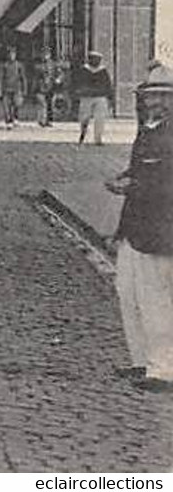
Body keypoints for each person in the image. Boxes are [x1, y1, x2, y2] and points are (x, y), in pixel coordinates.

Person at [104, 63, 173, 392]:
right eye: (151, 96)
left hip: (160, 232)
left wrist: (130, 186)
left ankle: (163, 369)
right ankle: (141, 360)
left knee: (156, 300)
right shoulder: (148, 128)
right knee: (128, 294)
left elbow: (166, 185)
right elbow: (140, 169)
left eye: (163, 96)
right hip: (134, 228)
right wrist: (125, 177)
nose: (155, 102)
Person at [75, 51, 114, 146]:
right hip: (86, 96)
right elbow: (78, 82)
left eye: (98, 59)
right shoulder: (84, 70)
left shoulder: (103, 71)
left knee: (100, 118)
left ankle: (98, 138)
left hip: (100, 96)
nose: (96, 61)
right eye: (93, 59)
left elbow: (108, 84)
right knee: (84, 117)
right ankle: (83, 134)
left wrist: (109, 96)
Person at [0, 49, 26, 127]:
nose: (12, 56)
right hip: (6, 88)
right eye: (10, 54)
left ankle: (15, 117)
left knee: (17, 104)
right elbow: (0, 78)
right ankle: (8, 120)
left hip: (17, 88)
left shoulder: (19, 65)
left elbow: (23, 78)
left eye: (13, 54)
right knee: (7, 106)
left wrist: (24, 89)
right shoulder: (4, 65)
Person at [33, 50, 58, 127]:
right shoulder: (38, 66)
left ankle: (49, 120)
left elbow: (59, 73)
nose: (45, 56)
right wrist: (34, 87)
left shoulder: (53, 65)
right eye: (44, 54)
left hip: (51, 87)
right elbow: (36, 78)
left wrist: (58, 79)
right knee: (43, 104)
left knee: (50, 104)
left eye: (47, 54)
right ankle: (42, 120)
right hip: (41, 87)